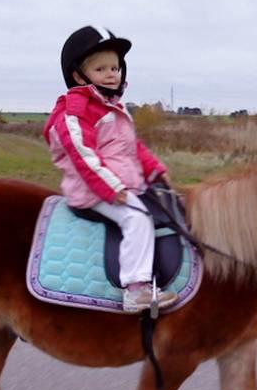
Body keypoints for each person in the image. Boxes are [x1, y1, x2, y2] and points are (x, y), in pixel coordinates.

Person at [43, 25, 178, 313]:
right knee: (138, 218)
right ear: (79, 76)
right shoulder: (75, 111)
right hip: (93, 190)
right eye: (101, 68)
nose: (111, 74)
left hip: (121, 185)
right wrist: (110, 188)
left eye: (115, 68)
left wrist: (154, 169)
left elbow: (132, 147)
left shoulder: (112, 107)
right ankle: (136, 289)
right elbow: (82, 155)